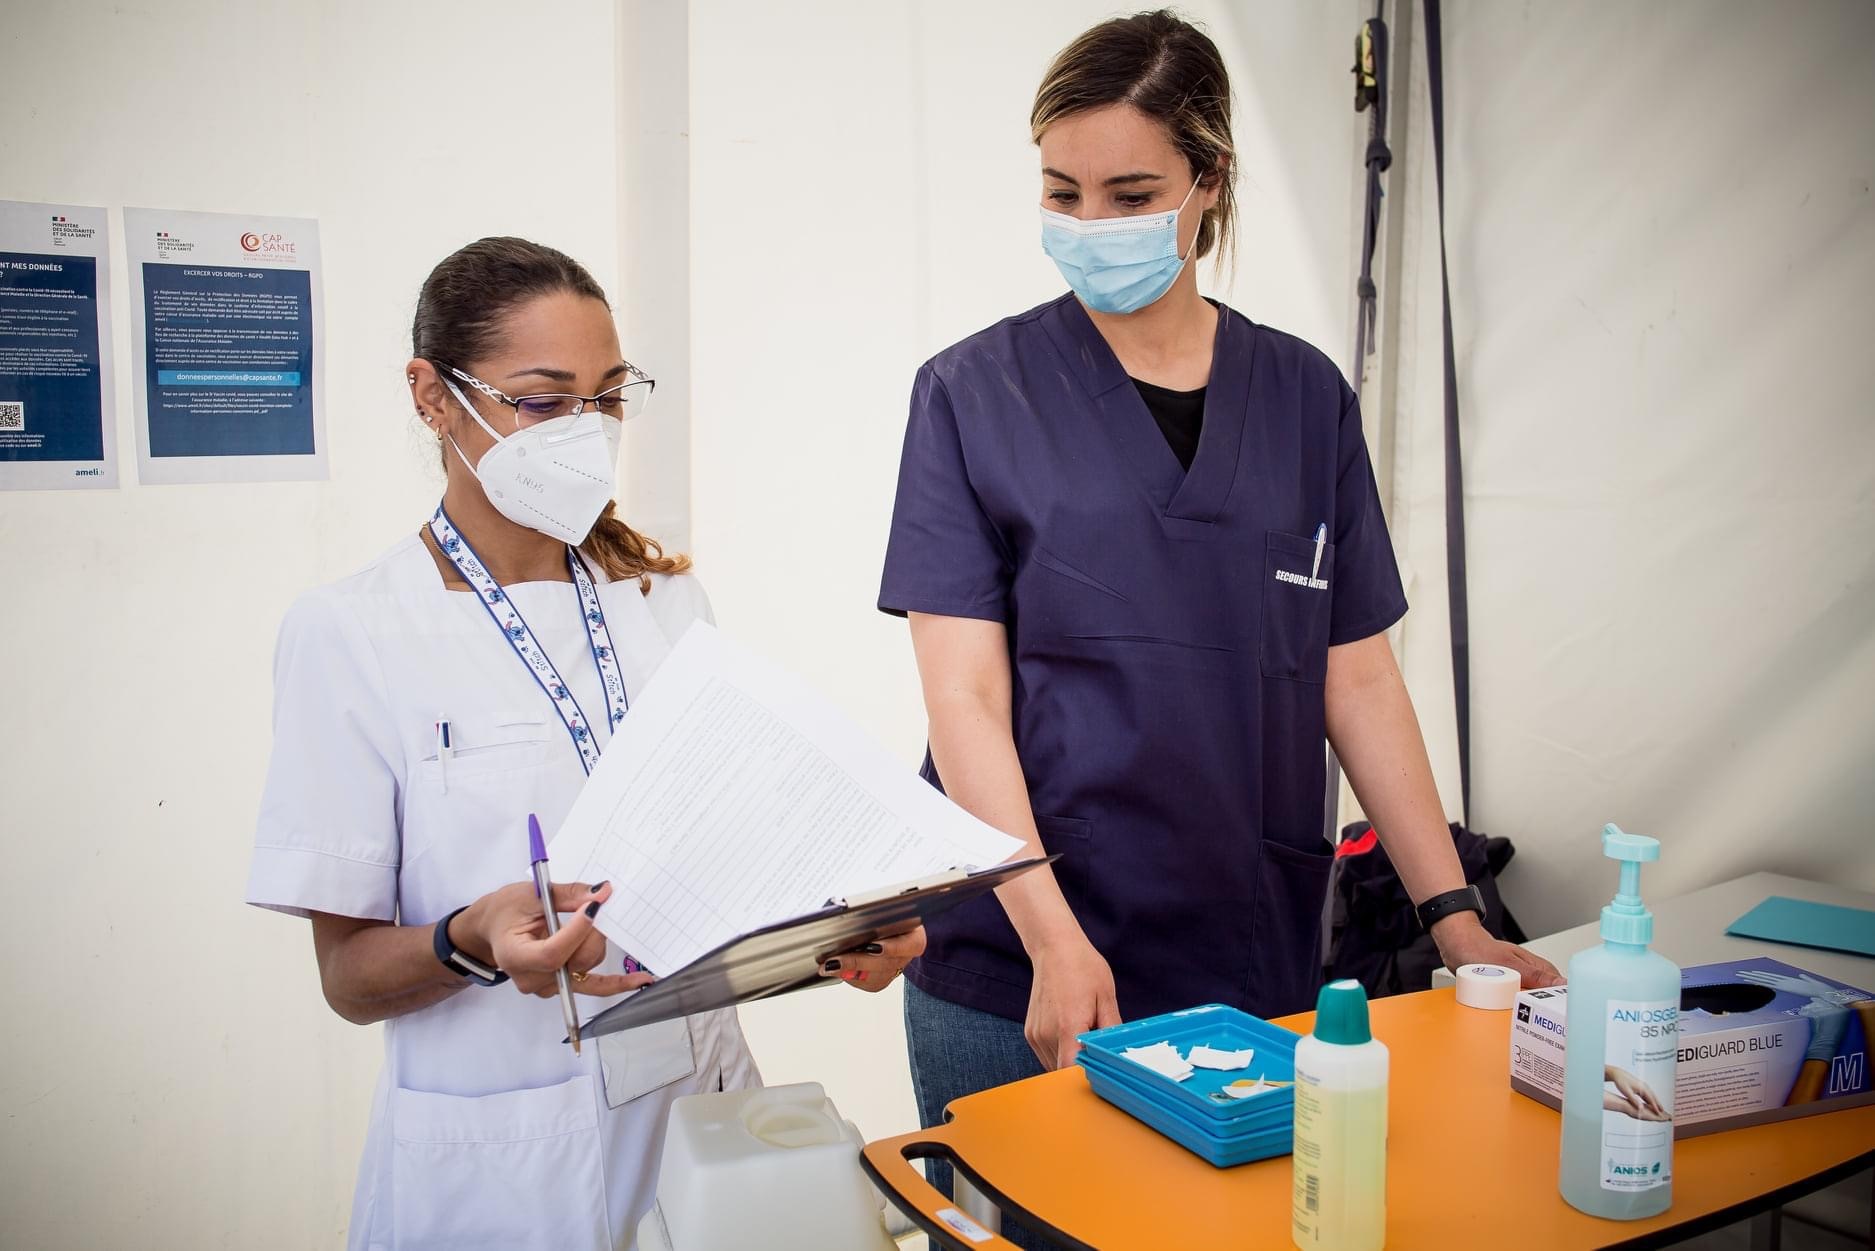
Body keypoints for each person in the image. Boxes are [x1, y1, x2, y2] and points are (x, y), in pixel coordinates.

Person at [877, 8, 1562, 1197]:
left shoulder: (1303, 399)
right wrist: (1049, 936)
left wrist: (1452, 914)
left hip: (1243, 961)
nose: (1091, 225)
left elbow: (1356, 675)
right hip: (1018, 962)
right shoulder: (971, 395)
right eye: (1062, 191)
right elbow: (965, 703)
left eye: (1130, 192)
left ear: (1210, 181)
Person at [246, 237, 920, 1250]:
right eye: (543, 400)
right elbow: (347, 979)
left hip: (710, 1130)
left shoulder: (664, 602)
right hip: (504, 1164)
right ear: (433, 395)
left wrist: (841, 935)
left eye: (608, 396)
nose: (587, 430)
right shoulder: (352, 632)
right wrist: (469, 938)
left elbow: (728, 870)